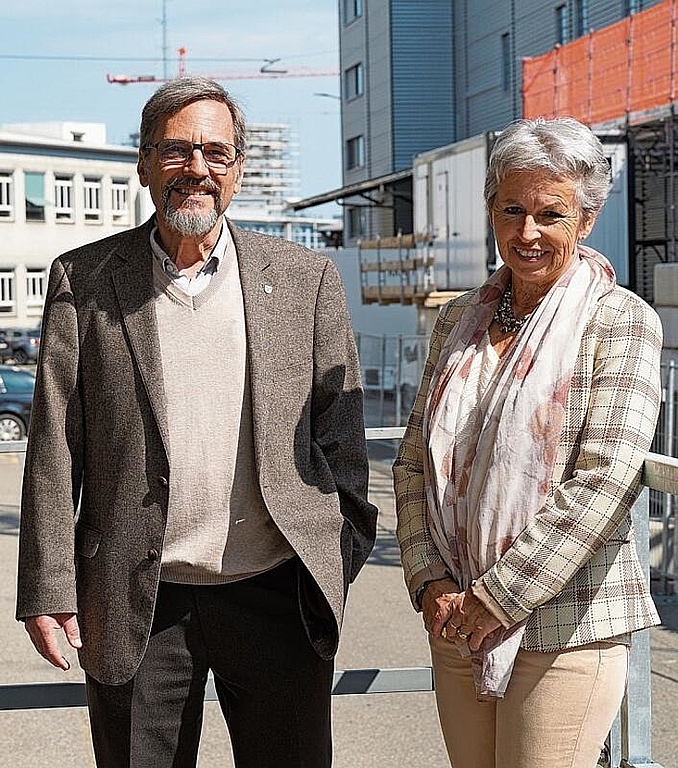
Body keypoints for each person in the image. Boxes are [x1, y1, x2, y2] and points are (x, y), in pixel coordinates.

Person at [16, 76, 377, 768]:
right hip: (136, 602)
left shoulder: (305, 279)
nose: (197, 170)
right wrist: (49, 586)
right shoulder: (84, 280)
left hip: (277, 593)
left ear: (239, 167)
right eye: (177, 151)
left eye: (216, 152)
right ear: (145, 163)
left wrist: (333, 560)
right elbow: (54, 450)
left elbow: (343, 440)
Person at [393, 116, 662, 768]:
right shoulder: (460, 319)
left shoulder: (620, 321)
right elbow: (412, 464)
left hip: (566, 627)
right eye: (511, 210)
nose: (528, 233)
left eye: (551, 214)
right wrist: (431, 582)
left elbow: (604, 480)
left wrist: (496, 598)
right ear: (491, 211)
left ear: (587, 219)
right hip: (456, 619)